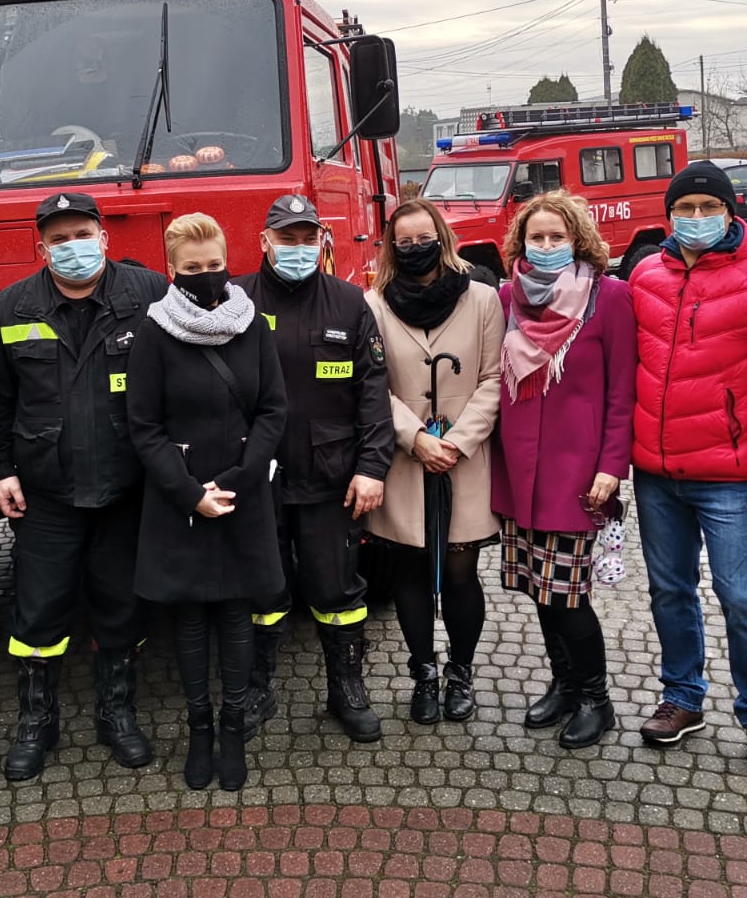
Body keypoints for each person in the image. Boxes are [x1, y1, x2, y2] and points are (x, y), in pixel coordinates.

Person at [630, 163, 747, 781]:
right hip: (656, 473)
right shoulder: (646, 275)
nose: (697, 217)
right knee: (670, 591)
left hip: (730, 475)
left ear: (730, 213)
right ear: (669, 216)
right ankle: (682, 698)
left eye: (709, 206)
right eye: (686, 208)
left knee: (742, 597)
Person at [0, 192, 168, 782]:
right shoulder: (12, 307)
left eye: (81, 234)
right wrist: (1, 469)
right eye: (58, 239)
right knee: (37, 612)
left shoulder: (149, 296)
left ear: (105, 236)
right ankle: (37, 721)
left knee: (121, 608)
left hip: (126, 488)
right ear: (41, 247)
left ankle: (118, 714)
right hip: (46, 493)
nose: (72, 248)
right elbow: (0, 400)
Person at [125, 214, 287, 792]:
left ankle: (234, 725)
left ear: (228, 261)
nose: (206, 276)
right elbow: (142, 425)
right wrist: (191, 493)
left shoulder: (253, 325)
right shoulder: (154, 332)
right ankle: (199, 727)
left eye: (215, 266)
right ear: (172, 271)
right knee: (190, 616)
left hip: (243, 492)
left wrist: (241, 482)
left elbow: (272, 409)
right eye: (193, 269)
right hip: (180, 496)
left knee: (238, 611)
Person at [234, 195, 391, 744]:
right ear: (264, 242)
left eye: (307, 239)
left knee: (337, 589)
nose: (297, 249)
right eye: (287, 238)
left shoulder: (349, 303)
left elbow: (373, 393)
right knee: (262, 589)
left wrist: (372, 467)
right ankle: (257, 688)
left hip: (332, 476)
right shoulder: (237, 301)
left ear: (321, 243)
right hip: (256, 478)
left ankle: (346, 689)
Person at [488, 192, 636, 750]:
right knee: (538, 589)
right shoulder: (507, 298)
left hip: (577, 474)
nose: (546, 247)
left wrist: (611, 467)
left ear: (578, 240)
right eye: (537, 238)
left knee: (568, 596)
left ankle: (597, 700)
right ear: (520, 243)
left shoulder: (609, 297)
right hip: (519, 469)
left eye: (557, 237)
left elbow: (622, 392)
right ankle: (565, 684)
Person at [364, 200, 503, 724]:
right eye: (404, 241)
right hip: (405, 457)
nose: (415, 247)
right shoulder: (373, 303)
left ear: (442, 239)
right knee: (408, 571)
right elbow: (372, 384)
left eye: (424, 237)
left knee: (463, 572)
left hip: (464, 457)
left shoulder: (484, 298)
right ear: (392, 247)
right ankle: (423, 670)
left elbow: (493, 379)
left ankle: (461, 671)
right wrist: (415, 437)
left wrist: (458, 441)